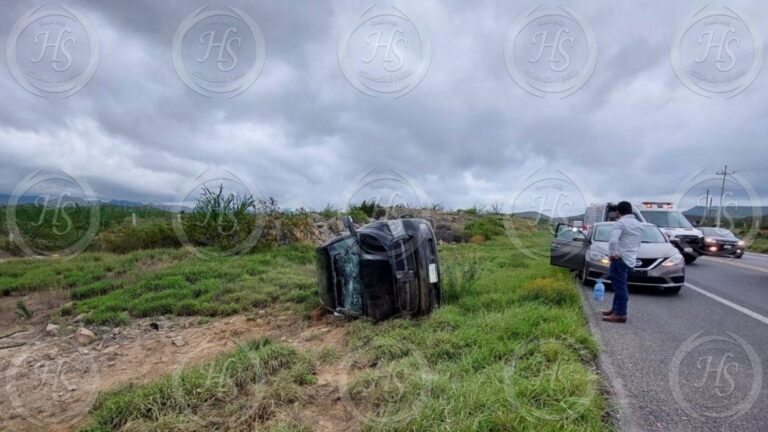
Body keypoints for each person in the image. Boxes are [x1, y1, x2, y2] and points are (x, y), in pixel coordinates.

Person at [603, 201, 643, 323]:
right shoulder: (638, 224)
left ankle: (620, 314)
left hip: (619, 259)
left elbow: (613, 241)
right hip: (630, 259)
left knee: (620, 287)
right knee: (619, 285)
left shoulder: (620, 223)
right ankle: (615, 309)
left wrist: (612, 254)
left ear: (618, 211)